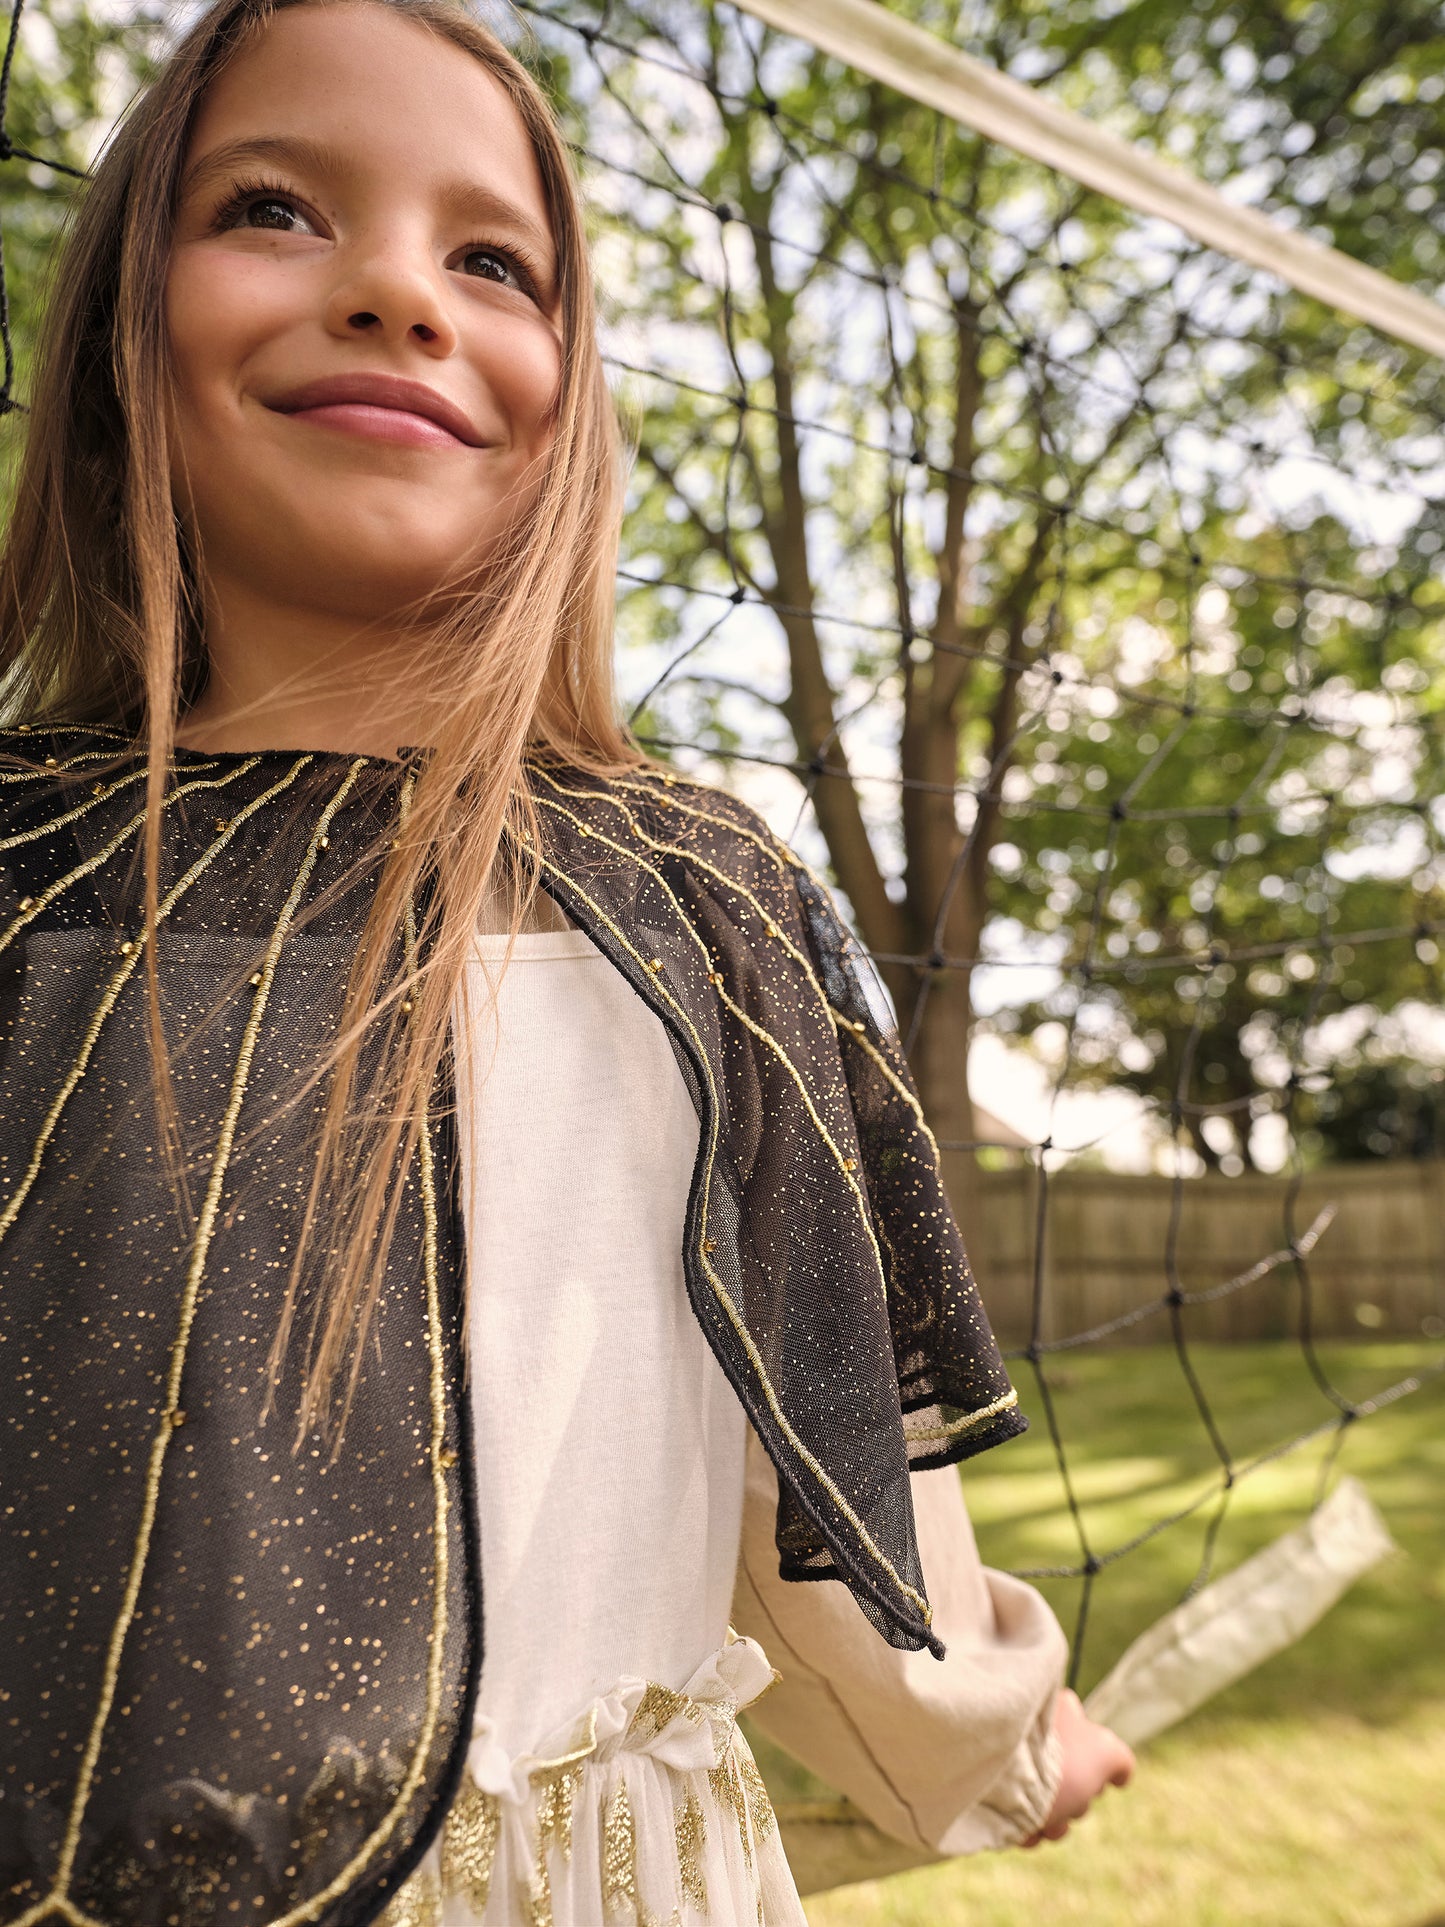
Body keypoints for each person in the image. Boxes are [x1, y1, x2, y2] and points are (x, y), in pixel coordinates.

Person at [0, 1, 1133, 1922]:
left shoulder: (702, 896)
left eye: (491, 260)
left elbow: (824, 1470)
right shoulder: (31, 888)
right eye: (275, 207)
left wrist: (1001, 1734)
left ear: (566, 385)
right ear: (123, 319)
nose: (397, 296)